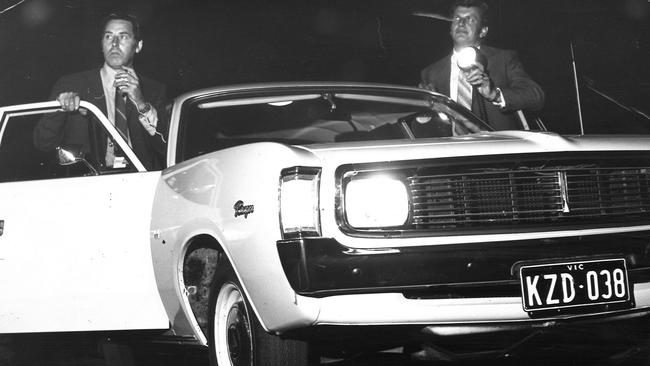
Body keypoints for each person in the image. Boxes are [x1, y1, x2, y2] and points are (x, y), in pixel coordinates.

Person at [33, 12, 167, 170]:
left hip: (141, 181)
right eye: (109, 37)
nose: (115, 44)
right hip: (89, 183)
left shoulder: (154, 90)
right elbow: (42, 143)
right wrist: (59, 109)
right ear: (101, 44)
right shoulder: (71, 84)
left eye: (123, 37)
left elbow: (164, 146)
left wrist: (141, 102)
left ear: (138, 46)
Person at [419, 0, 545, 130]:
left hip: (498, 146)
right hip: (454, 147)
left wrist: (494, 94)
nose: (461, 24)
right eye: (457, 18)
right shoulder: (431, 73)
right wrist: (424, 110)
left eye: (470, 19)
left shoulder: (503, 60)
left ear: (483, 31)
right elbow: (429, 124)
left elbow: (536, 96)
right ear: (450, 28)